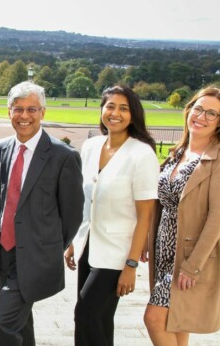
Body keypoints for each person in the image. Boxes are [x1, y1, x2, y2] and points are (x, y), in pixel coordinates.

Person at [0, 81, 84, 346]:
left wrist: (47, 248)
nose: (24, 116)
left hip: (35, 255)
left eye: (32, 109)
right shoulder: (1, 149)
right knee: (20, 323)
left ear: (43, 112)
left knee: (1, 324)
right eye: (18, 109)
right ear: (9, 112)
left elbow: (72, 214)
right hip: (4, 253)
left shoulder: (63, 157)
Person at [144, 86, 220, 345]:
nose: (202, 116)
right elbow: (163, 204)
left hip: (189, 257)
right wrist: (147, 240)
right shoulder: (178, 153)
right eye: (198, 109)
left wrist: (192, 265)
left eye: (212, 113)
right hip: (164, 251)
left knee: (154, 318)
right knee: (177, 322)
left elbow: (218, 220)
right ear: (189, 110)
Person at [64, 86, 159, 345]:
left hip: (117, 254)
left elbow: (145, 216)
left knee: (85, 314)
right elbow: (85, 201)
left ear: (133, 115)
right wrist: (74, 240)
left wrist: (130, 265)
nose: (115, 113)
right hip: (88, 246)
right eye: (110, 106)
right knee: (100, 320)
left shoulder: (142, 154)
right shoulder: (92, 146)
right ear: (102, 110)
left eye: (123, 108)